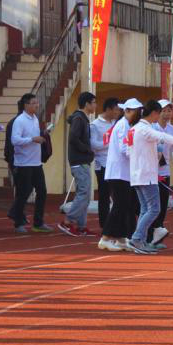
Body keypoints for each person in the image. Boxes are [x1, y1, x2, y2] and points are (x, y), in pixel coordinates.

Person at [128, 101, 173, 254]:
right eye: (160, 112)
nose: (160, 116)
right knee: (154, 209)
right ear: (154, 113)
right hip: (146, 175)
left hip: (138, 174)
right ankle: (137, 238)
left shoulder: (134, 129)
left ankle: (141, 240)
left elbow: (128, 151)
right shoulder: (145, 129)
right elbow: (161, 136)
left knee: (146, 209)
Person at [97, 99, 141, 252]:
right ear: (127, 111)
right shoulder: (123, 125)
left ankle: (121, 238)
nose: (138, 114)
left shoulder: (126, 125)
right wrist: (138, 156)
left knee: (125, 205)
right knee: (119, 205)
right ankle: (105, 237)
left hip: (123, 173)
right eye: (135, 111)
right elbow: (124, 149)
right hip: (118, 173)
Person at [8, 93, 51, 234]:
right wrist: (32, 139)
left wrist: (42, 135)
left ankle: (38, 222)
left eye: (37, 103)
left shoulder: (35, 119)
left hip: (36, 162)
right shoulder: (19, 121)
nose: (37, 105)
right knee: (23, 193)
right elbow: (14, 140)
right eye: (33, 103)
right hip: (23, 163)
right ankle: (18, 222)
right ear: (26, 105)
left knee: (42, 192)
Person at [61, 92, 97, 237]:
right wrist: (88, 150)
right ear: (87, 104)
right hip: (79, 161)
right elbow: (73, 138)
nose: (95, 105)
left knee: (84, 194)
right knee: (84, 194)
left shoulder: (82, 118)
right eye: (93, 102)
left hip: (82, 161)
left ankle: (81, 226)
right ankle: (68, 221)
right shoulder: (79, 118)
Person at [151, 101, 173, 245]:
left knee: (163, 204)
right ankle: (148, 234)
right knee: (152, 205)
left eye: (169, 110)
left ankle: (158, 233)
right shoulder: (151, 128)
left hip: (164, 172)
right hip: (150, 173)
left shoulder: (172, 130)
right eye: (164, 110)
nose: (167, 113)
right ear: (157, 112)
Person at [89, 97, 120, 231]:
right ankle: (104, 224)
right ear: (108, 109)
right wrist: (109, 143)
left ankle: (116, 223)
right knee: (104, 195)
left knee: (118, 195)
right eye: (116, 110)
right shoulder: (95, 125)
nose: (118, 112)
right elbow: (93, 145)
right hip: (102, 164)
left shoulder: (117, 123)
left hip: (117, 164)